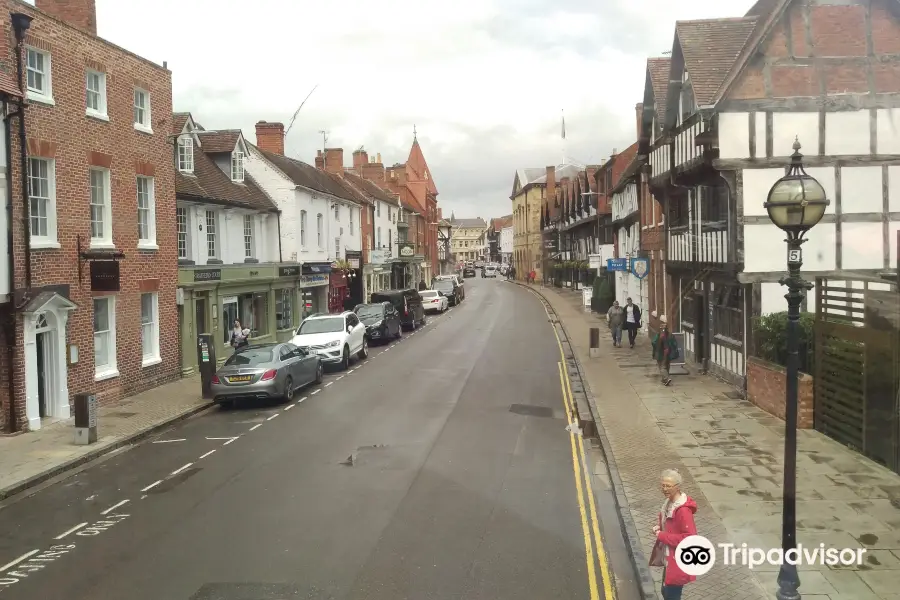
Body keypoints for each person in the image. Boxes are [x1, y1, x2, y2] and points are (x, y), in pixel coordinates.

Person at [652, 469, 698, 600]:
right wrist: (660, 527)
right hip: (670, 558)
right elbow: (670, 525)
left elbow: (689, 538)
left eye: (668, 486)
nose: (664, 489)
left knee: (671, 596)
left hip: (678, 561)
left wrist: (661, 535)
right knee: (665, 591)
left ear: (677, 487)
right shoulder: (669, 503)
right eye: (663, 485)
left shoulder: (683, 511)